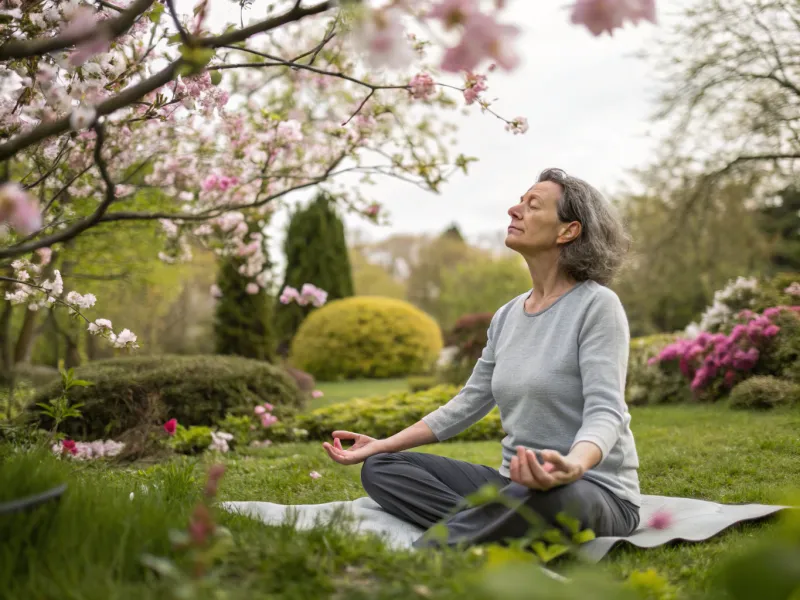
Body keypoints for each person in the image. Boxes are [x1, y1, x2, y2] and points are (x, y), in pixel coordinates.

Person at [322, 168, 641, 548]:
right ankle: (500, 526)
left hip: (590, 488)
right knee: (383, 469)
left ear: (568, 231)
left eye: (532, 205)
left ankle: (445, 544)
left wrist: (573, 464)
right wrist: (383, 444)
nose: (514, 209)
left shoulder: (597, 305)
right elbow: (468, 402)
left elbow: (606, 411)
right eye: (519, 201)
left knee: (550, 498)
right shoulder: (507, 315)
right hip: (514, 486)